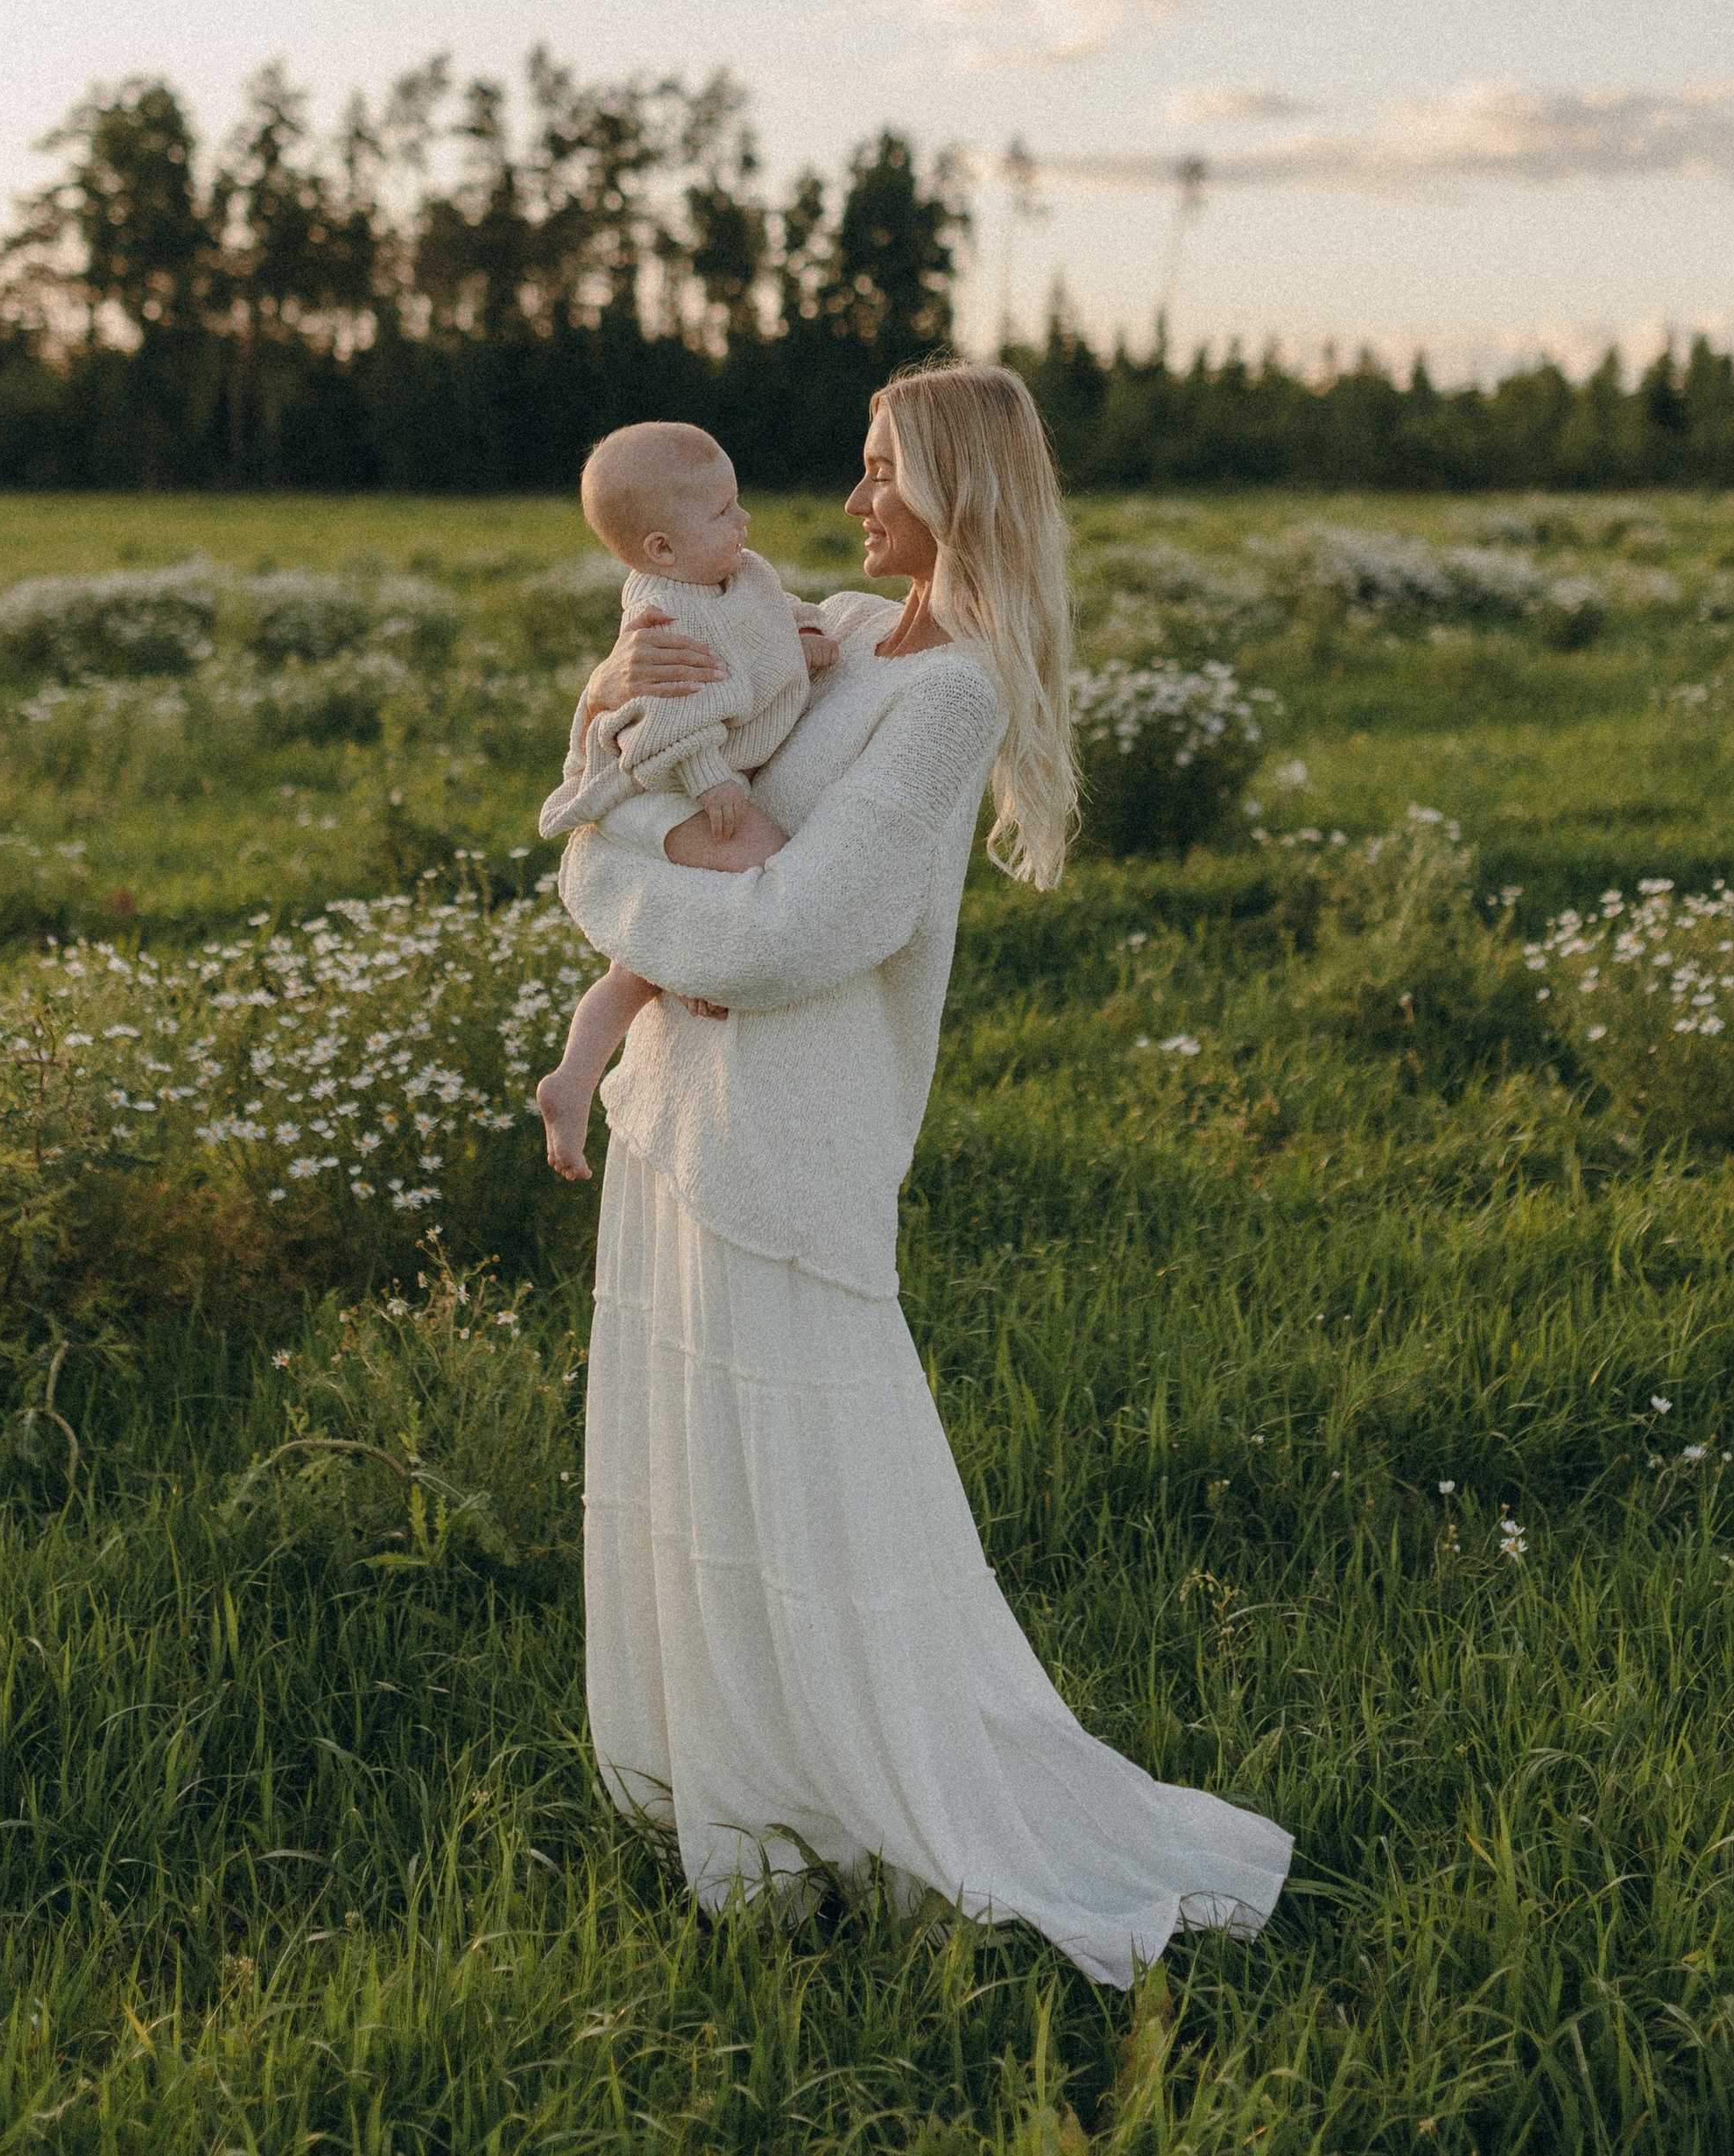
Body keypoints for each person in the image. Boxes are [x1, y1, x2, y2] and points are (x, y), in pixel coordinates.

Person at [553, 362, 1292, 1988]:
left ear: (960, 489)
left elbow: (813, 929)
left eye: (883, 468)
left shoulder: (948, 692)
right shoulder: (821, 627)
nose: (850, 500)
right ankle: (742, 1803)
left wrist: (622, 887)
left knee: (813, 1487)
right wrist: (619, 712)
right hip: (679, 1106)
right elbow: (634, 761)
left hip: (795, 1138)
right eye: (858, 460)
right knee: (704, 1468)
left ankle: (851, 1798)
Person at [534, 419, 835, 1182]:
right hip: (665, 783)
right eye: (723, 512)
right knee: (761, 852)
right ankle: (700, 967)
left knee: (629, 969)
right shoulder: (664, 614)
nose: (744, 522)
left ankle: (570, 1080)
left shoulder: (731, 570)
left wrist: (799, 632)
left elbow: (765, 611)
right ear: (663, 548)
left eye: (737, 503)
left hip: (687, 776)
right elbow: (663, 719)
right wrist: (712, 779)